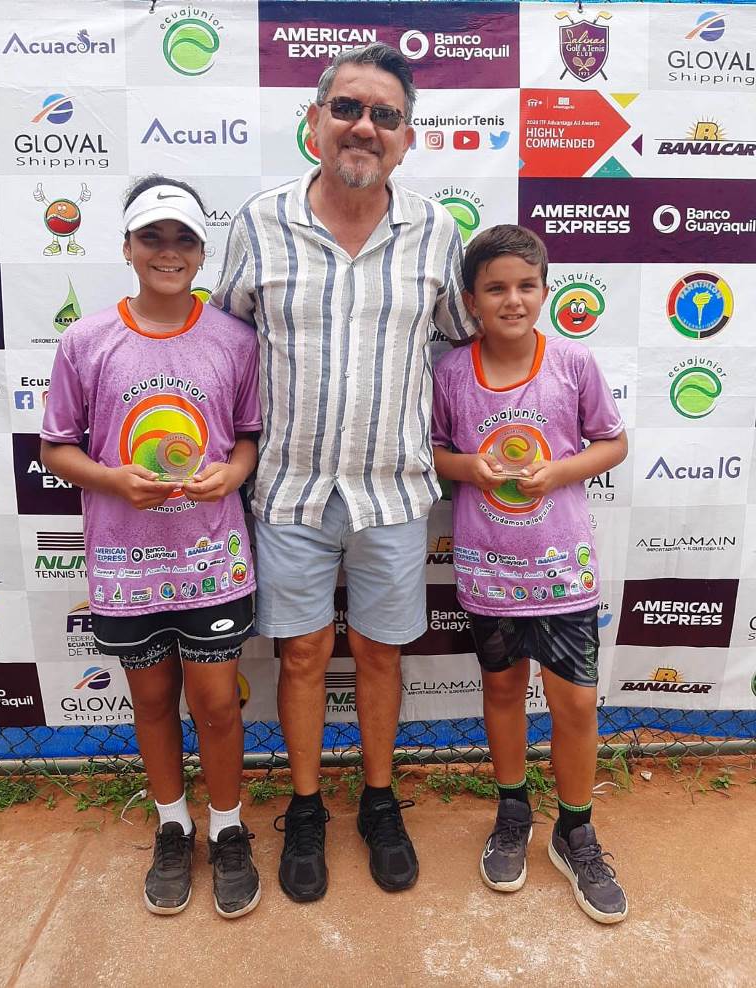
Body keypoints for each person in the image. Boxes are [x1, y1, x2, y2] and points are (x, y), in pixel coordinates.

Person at [211, 42, 474, 901]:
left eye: (384, 115)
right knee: (300, 657)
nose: (365, 127)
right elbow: (226, 345)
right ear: (315, 120)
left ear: (407, 136)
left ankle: (379, 800)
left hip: (392, 491)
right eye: (348, 108)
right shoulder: (260, 222)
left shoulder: (437, 232)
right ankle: (306, 806)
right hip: (289, 488)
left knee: (380, 657)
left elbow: (461, 344)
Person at [40, 175, 262, 919]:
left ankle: (228, 828)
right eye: (152, 237)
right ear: (128, 247)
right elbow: (54, 447)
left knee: (216, 704)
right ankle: (173, 825)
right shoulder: (86, 340)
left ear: (202, 252)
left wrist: (233, 472)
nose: (169, 251)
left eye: (184, 238)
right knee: (153, 699)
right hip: (125, 565)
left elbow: (249, 436)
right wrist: (111, 479)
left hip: (211, 561)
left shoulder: (234, 340)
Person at [431, 225, 629, 924]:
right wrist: (469, 467)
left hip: (561, 571)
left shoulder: (573, 363)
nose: (511, 300)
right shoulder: (452, 373)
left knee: (574, 704)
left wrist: (562, 469)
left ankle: (575, 829)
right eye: (495, 288)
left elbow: (613, 442)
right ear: (471, 300)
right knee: (503, 690)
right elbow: (434, 452)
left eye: (525, 285)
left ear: (545, 291)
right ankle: (513, 810)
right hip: (489, 571)